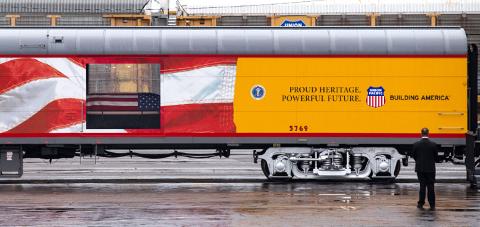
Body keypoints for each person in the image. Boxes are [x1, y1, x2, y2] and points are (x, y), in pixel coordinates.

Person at [411, 128, 438, 210]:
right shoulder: (433, 144)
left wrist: (419, 162)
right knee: (431, 186)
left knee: (422, 186)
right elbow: (436, 157)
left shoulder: (416, 144)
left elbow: (414, 156)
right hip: (430, 169)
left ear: (421, 134)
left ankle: (421, 203)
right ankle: (432, 204)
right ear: (428, 133)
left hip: (420, 168)